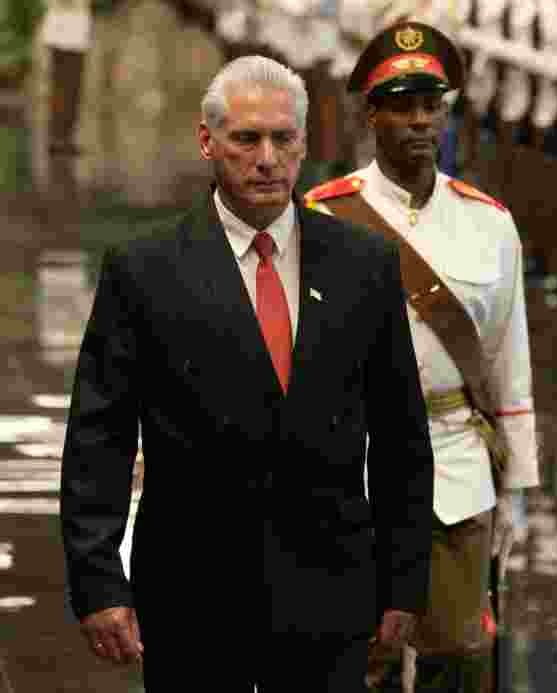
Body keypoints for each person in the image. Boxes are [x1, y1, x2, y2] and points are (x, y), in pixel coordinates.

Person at [59, 55, 435, 692]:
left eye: (283, 139)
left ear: (304, 142)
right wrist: (97, 581)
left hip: (329, 585)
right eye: (246, 139)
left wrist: (404, 578)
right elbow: (100, 437)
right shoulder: (145, 270)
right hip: (192, 591)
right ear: (208, 142)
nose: (267, 159)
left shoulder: (362, 264)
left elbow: (401, 434)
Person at [304, 21, 540, 692]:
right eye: (401, 104)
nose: (417, 120)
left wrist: (517, 484)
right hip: (354, 467)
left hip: (455, 465)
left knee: (460, 657)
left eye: (430, 104)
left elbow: (508, 358)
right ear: (371, 112)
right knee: (356, 657)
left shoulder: (488, 222)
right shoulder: (321, 219)